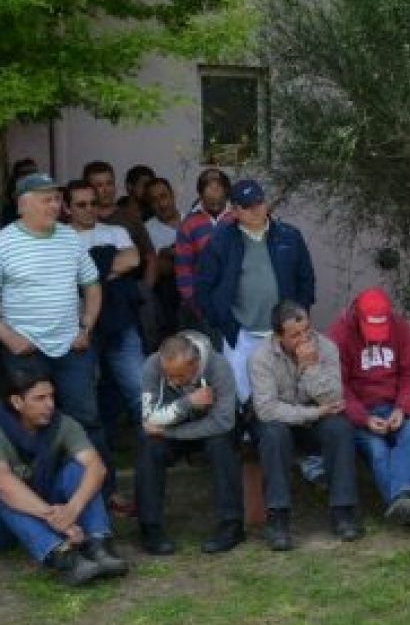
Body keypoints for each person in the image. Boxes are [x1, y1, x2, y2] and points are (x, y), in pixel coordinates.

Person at [0, 173, 106, 476]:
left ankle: (99, 490)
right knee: (28, 423)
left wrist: (86, 327)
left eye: (57, 199)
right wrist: (9, 338)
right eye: (47, 199)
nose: (56, 205)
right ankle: (34, 491)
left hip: (72, 348)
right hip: (24, 352)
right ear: (23, 205)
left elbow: (92, 285)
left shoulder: (69, 237)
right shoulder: (4, 242)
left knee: (86, 418)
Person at [0, 368, 127, 585]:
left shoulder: (62, 423)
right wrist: (55, 517)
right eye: (40, 398)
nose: (50, 404)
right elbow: (5, 484)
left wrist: (72, 509)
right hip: (8, 522)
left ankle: (99, 544)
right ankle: (62, 555)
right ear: (17, 402)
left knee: (78, 469)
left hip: (51, 507)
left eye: (51, 396)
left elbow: (96, 467)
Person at [249, 301, 360, 550]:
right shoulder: (260, 357)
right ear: (278, 336)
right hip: (280, 422)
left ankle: (343, 511)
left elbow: (333, 400)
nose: (304, 338)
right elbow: (267, 410)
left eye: (307, 330)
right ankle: (278, 519)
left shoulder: (326, 347)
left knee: (340, 429)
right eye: (295, 334)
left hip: (314, 419)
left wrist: (310, 367)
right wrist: (313, 412)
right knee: (274, 434)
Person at [328, 287, 410, 532]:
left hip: (393, 406)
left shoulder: (401, 328)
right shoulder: (340, 334)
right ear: (358, 315)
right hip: (359, 413)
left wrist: (403, 408)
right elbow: (338, 385)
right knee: (377, 449)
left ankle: (402, 500)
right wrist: (364, 418)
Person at [196, 179, 316, 405]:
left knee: (286, 390)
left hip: (283, 332)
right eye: (247, 206)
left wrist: (299, 320)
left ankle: (285, 435)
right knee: (242, 395)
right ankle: (247, 436)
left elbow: (306, 279)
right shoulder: (220, 241)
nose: (256, 210)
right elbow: (203, 286)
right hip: (241, 333)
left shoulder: (289, 236)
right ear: (234, 210)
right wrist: (222, 321)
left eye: (259, 203)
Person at [64, 179, 144, 513]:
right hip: (81, 331)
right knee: (88, 413)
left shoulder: (115, 231)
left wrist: (89, 270)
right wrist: (105, 265)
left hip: (120, 326)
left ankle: (147, 489)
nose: (88, 210)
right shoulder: (61, 238)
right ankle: (101, 490)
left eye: (92, 203)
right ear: (67, 208)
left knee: (144, 400)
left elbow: (134, 260)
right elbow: (68, 276)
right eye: (80, 204)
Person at [136, 331, 244, 555]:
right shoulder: (152, 365)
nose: (173, 382)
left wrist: (170, 433)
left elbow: (223, 422)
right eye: (169, 376)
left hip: (206, 430)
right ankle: (150, 527)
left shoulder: (218, 366)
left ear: (194, 364)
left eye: (179, 376)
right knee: (149, 447)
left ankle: (231, 524)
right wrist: (188, 403)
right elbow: (148, 421)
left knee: (222, 444)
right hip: (174, 428)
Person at [82, 161, 160, 350]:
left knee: (142, 344)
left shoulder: (129, 216)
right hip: (89, 295)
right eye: (98, 185)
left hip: (128, 291)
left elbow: (149, 256)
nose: (106, 190)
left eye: (109, 183)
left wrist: (144, 288)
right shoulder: (80, 219)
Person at [175, 168, 232, 318]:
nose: (214, 202)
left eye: (218, 191)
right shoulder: (189, 223)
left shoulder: (239, 218)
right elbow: (183, 269)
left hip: (238, 304)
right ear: (200, 195)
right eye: (209, 199)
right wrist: (195, 304)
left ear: (226, 192)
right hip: (203, 305)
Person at [143, 177, 184, 338]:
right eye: (154, 200)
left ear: (172, 195)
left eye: (164, 196)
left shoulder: (192, 220)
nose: (161, 204)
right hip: (169, 301)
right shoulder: (146, 230)